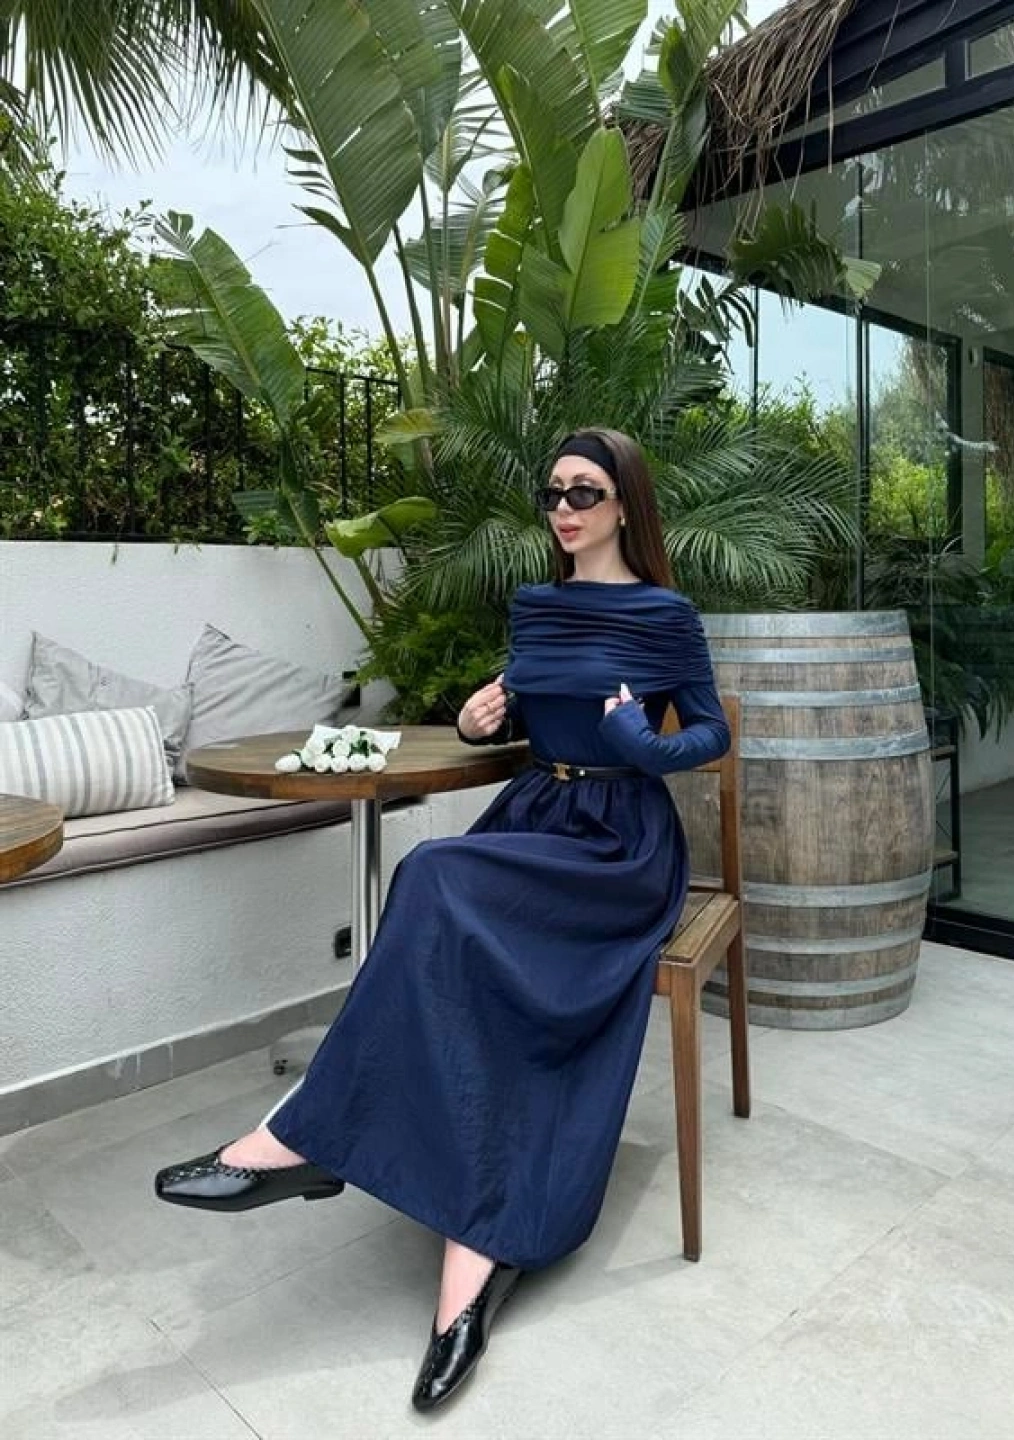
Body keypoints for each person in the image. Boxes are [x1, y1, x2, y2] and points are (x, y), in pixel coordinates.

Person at [154, 427, 730, 1412]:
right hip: (539, 814)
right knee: (448, 915)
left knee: (428, 874)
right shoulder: (537, 606)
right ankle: (465, 1247)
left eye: (584, 492)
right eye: (552, 491)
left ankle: (305, 1140)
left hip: (621, 848)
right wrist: (478, 719)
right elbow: (528, 713)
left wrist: (645, 742)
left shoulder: (664, 614)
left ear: (624, 504)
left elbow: (710, 734)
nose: (563, 508)